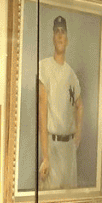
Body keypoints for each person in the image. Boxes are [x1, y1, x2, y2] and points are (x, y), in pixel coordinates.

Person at [38, 15, 83, 189]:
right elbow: (42, 114)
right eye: (56, 32)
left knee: (69, 197)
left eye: (62, 32)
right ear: (52, 37)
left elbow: (79, 105)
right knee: (51, 199)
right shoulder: (45, 67)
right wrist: (45, 157)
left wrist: (78, 133)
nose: (59, 36)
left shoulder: (71, 74)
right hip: (53, 145)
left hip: (69, 148)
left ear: (67, 39)